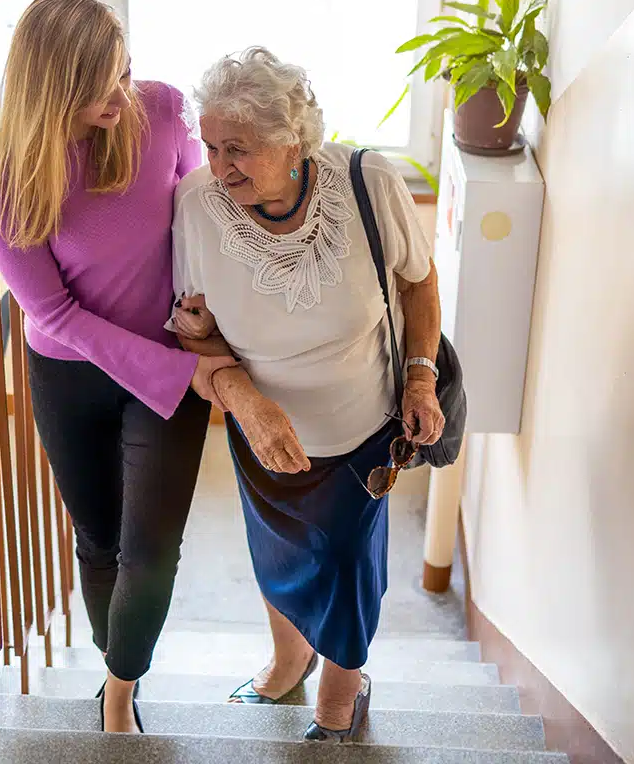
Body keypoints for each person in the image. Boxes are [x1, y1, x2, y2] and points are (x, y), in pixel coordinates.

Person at [0, 0, 237, 734]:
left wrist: (200, 318)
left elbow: (200, 217)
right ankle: (117, 657)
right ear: (53, 87)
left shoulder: (158, 111)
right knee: (99, 541)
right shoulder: (3, 167)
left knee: (150, 549)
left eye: (125, 74)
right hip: (71, 372)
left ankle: (119, 691)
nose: (122, 96)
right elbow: (52, 313)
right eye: (103, 87)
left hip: (170, 362)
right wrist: (179, 373)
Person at [168, 47, 446, 741]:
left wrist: (419, 373)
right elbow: (193, 328)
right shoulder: (197, 206)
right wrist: (244, 400)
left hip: (363, 432)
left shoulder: (367, 181)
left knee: (349, 565)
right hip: (260, 431)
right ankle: (289, 659)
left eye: (240, 148)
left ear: (294, 141)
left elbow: (418, 281)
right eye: (210, 145)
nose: (220, 165)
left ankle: (338, 699)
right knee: (281, 555)